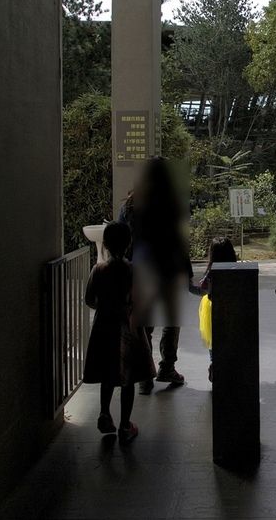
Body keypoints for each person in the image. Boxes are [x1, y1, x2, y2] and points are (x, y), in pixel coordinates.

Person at [125, 157, 195, 394]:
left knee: (144, 324)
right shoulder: (174, 203)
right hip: (168, 269)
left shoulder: (131, 204)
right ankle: (167, 367)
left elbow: (124, 238)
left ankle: (145, 375)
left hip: (141, 270)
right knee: (171, 321)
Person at [82, 221, 155, 442]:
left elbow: (89, 299)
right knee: (129, 377)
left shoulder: (99, 269)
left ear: (105, 243)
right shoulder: (133, 270)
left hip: (104, 326)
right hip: (128, 326)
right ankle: (125, 424)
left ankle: (104, 413)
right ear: (129, 242)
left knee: (107, 373)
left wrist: (104, 307)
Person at [197, 237, 238, 383]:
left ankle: (214, 366)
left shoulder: (211, 272)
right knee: (231, 339)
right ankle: (231, 369)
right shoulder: (236, 269)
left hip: (213, 309)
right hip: (233, 309)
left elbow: (202, 288)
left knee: (214, 341)